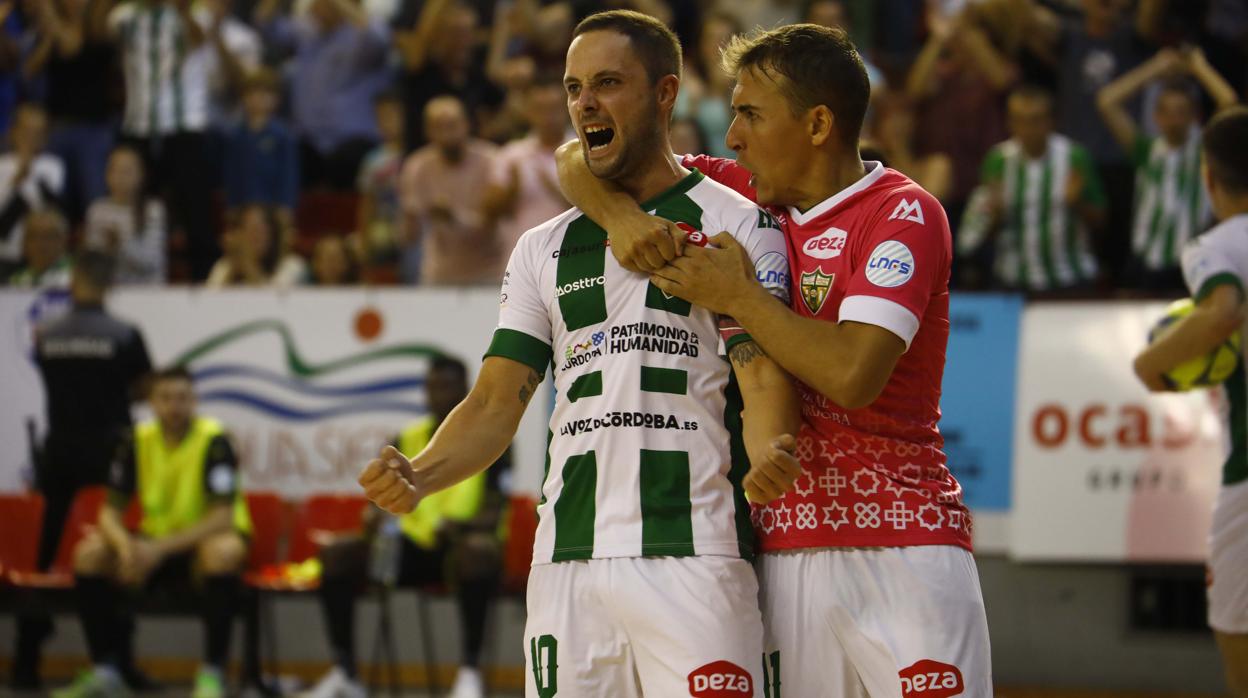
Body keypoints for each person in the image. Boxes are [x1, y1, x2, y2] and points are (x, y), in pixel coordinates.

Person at [360, 10, 803, 696]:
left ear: (665, 93)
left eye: (606, 83)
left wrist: (773, 448)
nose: (584, 103)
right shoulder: (540, 248)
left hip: (696, 551)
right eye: (573, 88)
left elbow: (760, 372)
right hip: (567, 561)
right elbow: (493, 402)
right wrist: (421, 474)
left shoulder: (739, 224)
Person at [555, 22, 992, 697]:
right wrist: (623, 221)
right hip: (785, 553)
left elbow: (852, 375)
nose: (732, 137)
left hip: (907, 544)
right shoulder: (749, 199)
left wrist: (738, 294)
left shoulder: (902, 213)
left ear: (817, 124)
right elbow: (575, 159)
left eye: (750, 115)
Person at [305, 356, 507, 698]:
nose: (435, 395)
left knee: (478, 553)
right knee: (338, 555)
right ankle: (346, 673)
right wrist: (376, 512)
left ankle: (469, 673)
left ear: (464, 390)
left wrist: (460, 526)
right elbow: (385, 495)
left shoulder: (489, 440)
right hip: (408, 547)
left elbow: (494, 510)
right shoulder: (406, 438)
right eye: (430, 387)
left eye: (444, 386)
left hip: (456, 549)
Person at [1132, 106, 1248, 698]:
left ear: (1209, 177)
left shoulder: (1218, 244)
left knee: (1236, 628)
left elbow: (1223, 309)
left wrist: (1149, 365)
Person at [53, 366, 251, 698]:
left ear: (194, 401)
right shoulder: (135, 440)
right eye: (166, 398)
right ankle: (106, 671)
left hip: (201, 540)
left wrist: (157, 550)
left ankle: (212, 672)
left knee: (223, 553)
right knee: (88, 555)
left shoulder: (215, 440)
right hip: (152, 541)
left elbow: (222, 519)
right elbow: (108, 513)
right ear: (152, 402)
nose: (174, 406)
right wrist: (125, 546)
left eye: (182, 398)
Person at [18, 251, 152, 691]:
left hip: (59, 450)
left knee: (44, 555)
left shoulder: (47, 334)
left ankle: (25, 660)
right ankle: (121, 661)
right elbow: (145, 386)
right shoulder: (124, 334)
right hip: (111, 450)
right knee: (117, 546)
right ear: (108, 283)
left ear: (74, 280)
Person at [1098, 46, 1239, 291]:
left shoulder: (1204, 150)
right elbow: (1107, 100)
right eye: (1167, 112)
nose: (1174, 120)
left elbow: (1228, 101)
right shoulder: (1144, 149)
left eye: (1182, 112)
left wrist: (1199, 67)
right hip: (1145, 263)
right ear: (1156, 116)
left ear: (1194, 116)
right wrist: (1155, 67)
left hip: (1189, 266)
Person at [108, 0, 219, 281]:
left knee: (196, 211)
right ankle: (135, 278)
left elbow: (200, 40)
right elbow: (99, 36)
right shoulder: (125, 16)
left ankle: (203, 281)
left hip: (185, 125)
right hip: (139, 124)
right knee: (135, 209)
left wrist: (182, 9)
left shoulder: (194, 16)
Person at [959, 85, 1108, 293]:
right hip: (1013, 280)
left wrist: (1077, 203)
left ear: (1051, 121)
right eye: (1020, 120)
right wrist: (994, 214)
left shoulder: (1075, 157)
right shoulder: (998, 161)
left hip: (1069, 279)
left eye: (1036, 120)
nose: (1028, 129)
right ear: (1010, 123)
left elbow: (1100, 221)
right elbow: (981, 233)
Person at [255, 0, 392, 190]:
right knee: (274, 151)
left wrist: (341, 5)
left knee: (344, 162)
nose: (313, 7)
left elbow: (378, 40)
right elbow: (265, 23)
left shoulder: (361, 32)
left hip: (352, 141)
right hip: (309, 140)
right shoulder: (308, 34)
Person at [397, 95, 500, 286]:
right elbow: (410, 232)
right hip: (439, 274)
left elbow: (493, 224)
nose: (446, 134)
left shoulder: (492, 161)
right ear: (427, 131)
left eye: (452, 125)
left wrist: (453, 216)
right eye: (438, 127)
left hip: (489, 272)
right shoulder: (417, 167)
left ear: (466, 124)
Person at [484, 76, 571, 279]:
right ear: (528, 112)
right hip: (521, 259)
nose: (548, 116)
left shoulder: (583, 152)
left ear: (567, 108)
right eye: (541, 109)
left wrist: (559, 191)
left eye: (553, 108)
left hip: (570, 255)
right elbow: (488, 213)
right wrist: (511, 191)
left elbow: (598, 208)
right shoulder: (510, 155)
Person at [223, 67, 299, 225]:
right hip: (245, 202)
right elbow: (233, 173)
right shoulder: (237, 135)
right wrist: (232, 203)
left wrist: (286, 204)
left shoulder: (282, 135)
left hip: (272, 203)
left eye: (264, 94)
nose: (257, 99)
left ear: (276, 99)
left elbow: (288, 172)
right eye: (252, 94)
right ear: (243, 98)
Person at [82, 145, 168, 285]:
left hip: (148, 293)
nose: (120, 177)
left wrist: (121, 244)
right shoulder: (97, 210)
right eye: (115, 170)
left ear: (141, 175)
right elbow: (93, 260)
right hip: (109, 289)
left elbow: (152, 261)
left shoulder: (153, 210)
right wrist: (107, 248)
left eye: (127, 171)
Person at [0, 103, 65, 281]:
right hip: (6, 253)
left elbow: (51, 211)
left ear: (45, 137)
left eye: (38, 133)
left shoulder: (53, 166)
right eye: (26, 131)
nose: (30, 138)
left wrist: (31, 175)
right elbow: (3, 225)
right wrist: (17, 183)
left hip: (41, 257)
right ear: (13, 132)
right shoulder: (2, 166)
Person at [356, 90, 406, 268]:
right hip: (385, 226)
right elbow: (368, 202)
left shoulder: (417, 155)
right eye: (381, 117)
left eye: (392, 115)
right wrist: (364, 239)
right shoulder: (373, 160)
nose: (387, 123)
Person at [205, 204, 307, 288]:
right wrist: (232, 270)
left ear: (273, 235)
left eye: (260, 231)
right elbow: (210, 298)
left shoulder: (292, 265)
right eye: (249, 231)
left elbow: (271, 302)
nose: (255, 237)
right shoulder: (224, 266)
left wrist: (248, 265)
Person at [9, 208, 72, 290]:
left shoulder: (77, 276)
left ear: (63, 240)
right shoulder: (16, 280)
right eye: (33, 236)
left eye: (48, 236)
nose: (40, 244)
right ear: (24, 242)